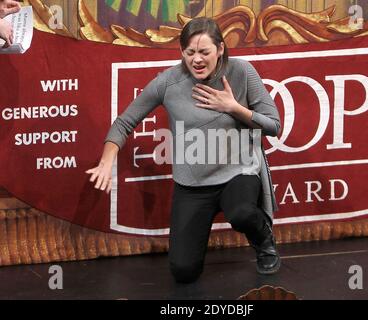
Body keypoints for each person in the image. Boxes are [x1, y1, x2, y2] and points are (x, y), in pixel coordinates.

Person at [87, 17, 282, 283]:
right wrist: (106, 161)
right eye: (190, 53)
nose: (197, 59)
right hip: (193, 184)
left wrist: (234, 107)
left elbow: (274, 126)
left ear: (220, 49)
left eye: (204, 52)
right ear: (182, 52)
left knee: (242, 213)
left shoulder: (241, 72)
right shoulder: (168, 82)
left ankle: (264, 240)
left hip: (239, 170)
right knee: (183, 271)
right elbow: (124, 122)